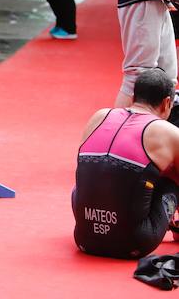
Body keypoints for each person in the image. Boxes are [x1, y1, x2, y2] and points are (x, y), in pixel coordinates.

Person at [73, 68, 179, 259]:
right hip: (133, 243)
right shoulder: (168, 132)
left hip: (85, 239)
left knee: (94, 173)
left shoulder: (100, 116)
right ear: (167, 103)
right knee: (170, 178)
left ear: (133, 97)